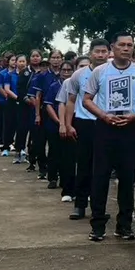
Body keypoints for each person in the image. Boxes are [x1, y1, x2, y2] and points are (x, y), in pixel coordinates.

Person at [82, 33, 135, 241]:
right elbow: (87, 99)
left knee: (127, 177)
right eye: (122, 45)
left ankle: (124, 225)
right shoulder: (100, 71)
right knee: (100, 176)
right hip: (105, 128)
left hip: (130, 127)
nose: (126, 48)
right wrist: (103, 115)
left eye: (130, 45)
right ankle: (98, 225)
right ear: (113, 47)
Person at [65, 42, 107, 218]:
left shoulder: (112, 72)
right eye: (97, 51)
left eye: (104, 51)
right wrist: (68, 124)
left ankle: (99, 208)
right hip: (84, 123)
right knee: (83, 165)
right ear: (90, 53)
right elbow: (71, 100)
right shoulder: (79, 74)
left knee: (102, 168)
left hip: (106, 123)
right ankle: (80, 205)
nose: (100, 55)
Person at [53, 58, 78, 202]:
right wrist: (63, 124)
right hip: (72, 120)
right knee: (68, 157)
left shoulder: (97, 81)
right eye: (81, 66)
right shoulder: (69, 83)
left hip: (91, 121)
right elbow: (62, 103)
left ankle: (84, 191)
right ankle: (68, 190)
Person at [42, 58, 68, 191]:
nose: (66, 73)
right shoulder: (54, 86)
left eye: (69, 70)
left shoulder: (76, 86)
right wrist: (59, 121)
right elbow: (49, 105)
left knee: (66, 154)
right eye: (64, 70)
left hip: (70, 125)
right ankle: (52, 178)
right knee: (54, 151)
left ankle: (65, 180)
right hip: (54, 124)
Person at [0, 55, 20, 156]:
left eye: (16, 60)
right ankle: (4, 143)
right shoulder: (3, 73)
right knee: (6, 124)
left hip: (18, 102)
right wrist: (8, 96)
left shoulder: (21, 74)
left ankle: (13, 143)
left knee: (16, 124)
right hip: (5, 101)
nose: (14, 62)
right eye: (12, 60)